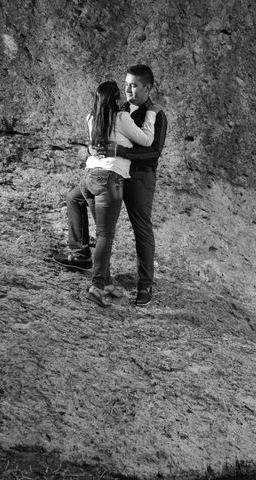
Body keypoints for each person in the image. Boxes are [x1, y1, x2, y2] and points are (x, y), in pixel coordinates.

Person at [54, 65, 168, 307]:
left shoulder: (156, 113)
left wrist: (120, 151)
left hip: (138, 177)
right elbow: (102, 135)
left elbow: (154, 151)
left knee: (141, 229)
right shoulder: (120, 110)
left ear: (148, 88)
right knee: (74, 198)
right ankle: (82, 254)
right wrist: (92, 148)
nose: (128, 89)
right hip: (110, 177)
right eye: (126, 84)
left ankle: (145, 285)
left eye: (134, 85)